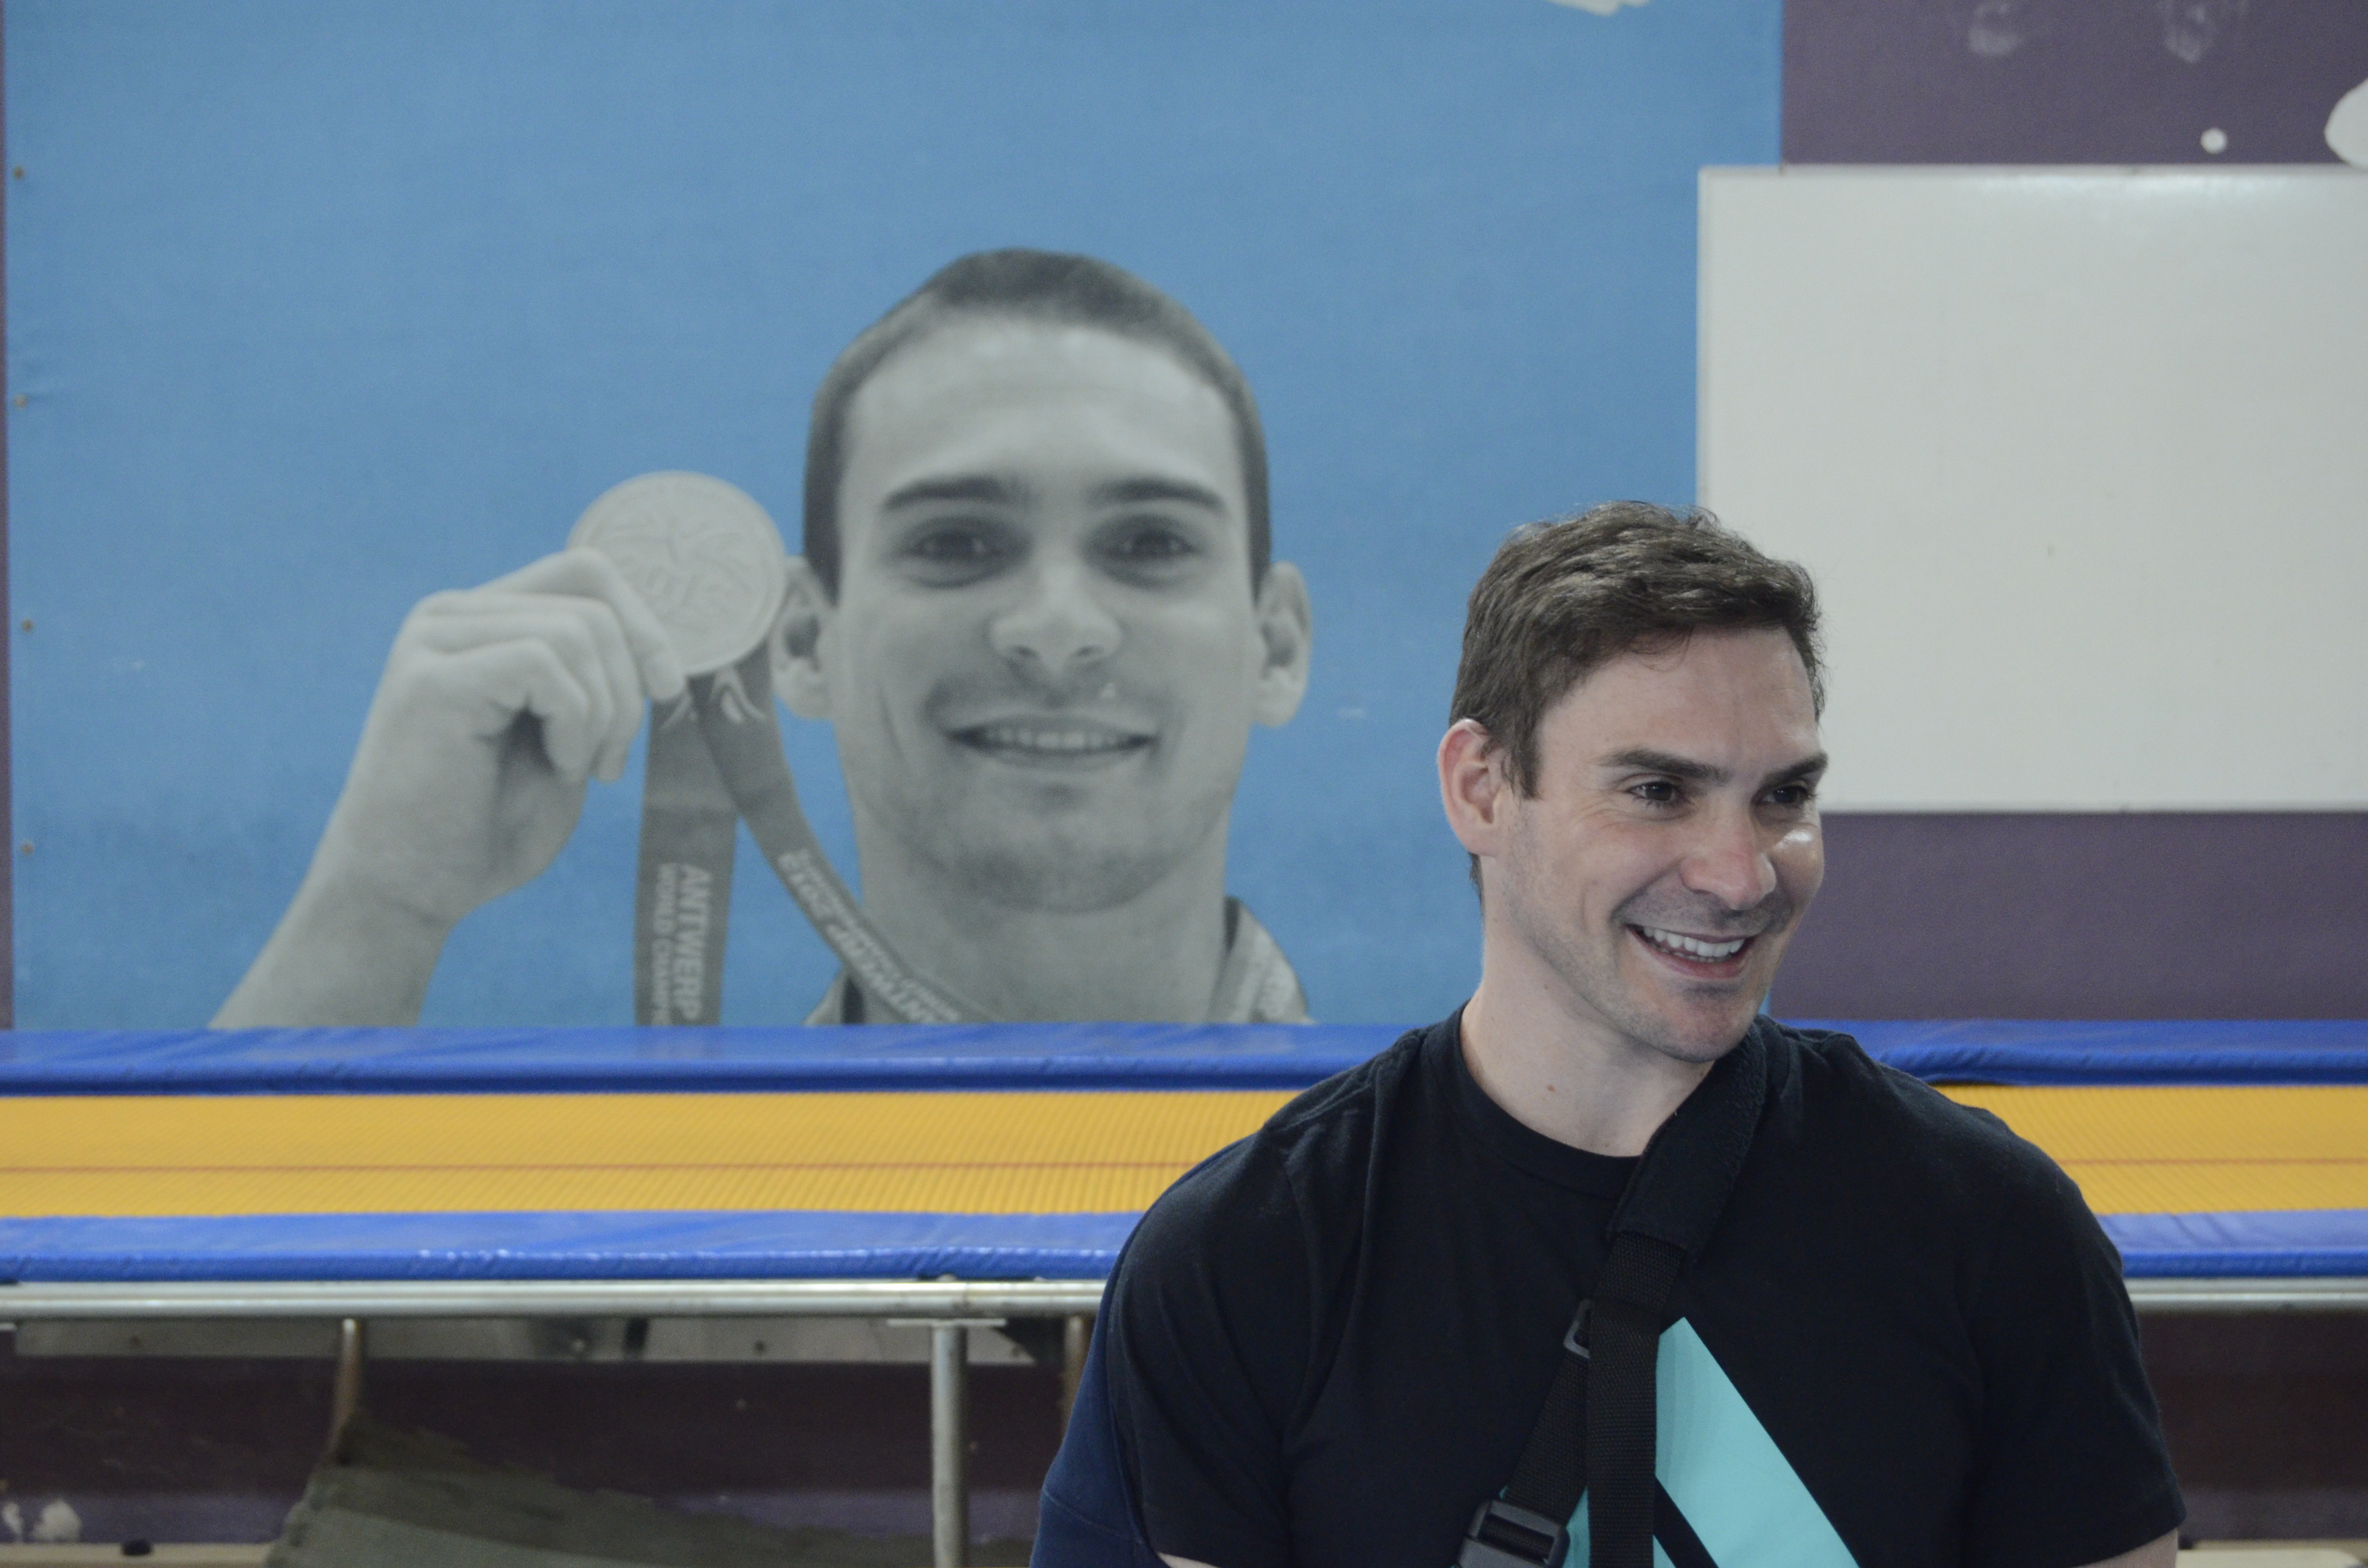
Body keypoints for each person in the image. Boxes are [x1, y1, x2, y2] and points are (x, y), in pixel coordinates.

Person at [1036, 504, 2183, 1568]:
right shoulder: (1251, 1259)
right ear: (1482, 789)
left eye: (1782, 798)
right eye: (1656, 792)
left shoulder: (1989, 1232)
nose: (1740, 876)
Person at [213, 251, 1314, 1027]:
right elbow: (132, 1362)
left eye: (1151, 544)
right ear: (799, 640)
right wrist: (380, 904)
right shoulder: (613, 1232)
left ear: (1274, 646)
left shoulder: (1463, 1202)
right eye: (959, 541)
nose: (1058, 632)